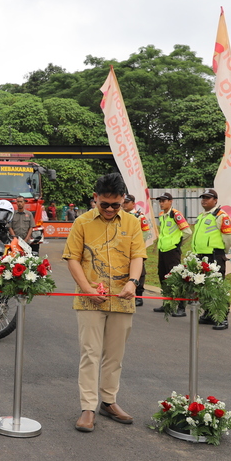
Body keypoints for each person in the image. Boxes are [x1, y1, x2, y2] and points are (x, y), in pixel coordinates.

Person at [63, 173, 145, 433]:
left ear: (123, 200)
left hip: (122, 298)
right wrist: (86, 290)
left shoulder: (132, 223)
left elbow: (137, 256)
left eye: (115, 205)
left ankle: (108, 402)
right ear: (95, 199)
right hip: (90, 300)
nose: (109, 210)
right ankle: (88, 407)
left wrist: (132, 282)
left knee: (115, 355)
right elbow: (72, 258)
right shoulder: (82, 222)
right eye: (104, 204)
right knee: (90, 353)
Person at [191, 189, 231, 330]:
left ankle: (222, 318)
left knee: (217, 288)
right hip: (200, 256)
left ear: (215, 200)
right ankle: (209, 314)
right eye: (202, 198)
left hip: (214, 256)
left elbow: (228, 238)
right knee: (204, 287)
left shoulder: (221, 215)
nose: (204, 200)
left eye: (208, 198)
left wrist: (222, 252)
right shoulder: (202, 216)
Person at [153, 192, 192, 317]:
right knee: (163, 277)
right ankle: (167, 304)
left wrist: (177, 244)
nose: (161, 203)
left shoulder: (176, 214)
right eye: (160, 201)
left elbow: (187, 232)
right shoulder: (162, 215)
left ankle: (181, 307)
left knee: (176, 278)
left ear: (171, 201)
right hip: (163, 250)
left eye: (164, 201)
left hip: (172, 251)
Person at [121, 194, 150, 307]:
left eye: (127, 202)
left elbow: (146, 231)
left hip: (135, 248)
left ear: (133, 203)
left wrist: (139, 244)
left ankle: (139, 296)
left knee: (140, 271)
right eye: (124, 202)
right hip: (123, 248)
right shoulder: (121, 215)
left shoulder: (139, 216)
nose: (124, 204)